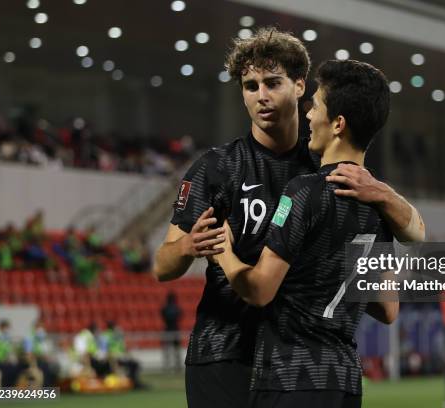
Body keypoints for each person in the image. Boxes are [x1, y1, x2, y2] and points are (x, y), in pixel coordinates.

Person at [153, 28, 424, 408]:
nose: (261, 96)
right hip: (224, 353)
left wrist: (383, 194)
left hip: (290, 364)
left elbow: (405, 248)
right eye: (250, 86)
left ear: (299, 86)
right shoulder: (216, 168)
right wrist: (187, 245)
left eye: (272, 83)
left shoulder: (332, 170)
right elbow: (162, 266)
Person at [213, 59, 399, 408]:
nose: (309, 116)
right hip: (344, 380)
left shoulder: (303, 192)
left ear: (338, 124)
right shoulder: (381, 208)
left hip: (290, 376)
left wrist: (223, 251)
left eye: (315, 106)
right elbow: (388, 308)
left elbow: (259, 290)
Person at [160, 291, 183, 372]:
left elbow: (162, 316)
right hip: (175, 329)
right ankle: (178, 366)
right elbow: (180, 316)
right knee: (176, 349)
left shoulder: (164, 308)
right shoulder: (177, 308)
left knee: (167, 349)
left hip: (167, 330)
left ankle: (167, 367)